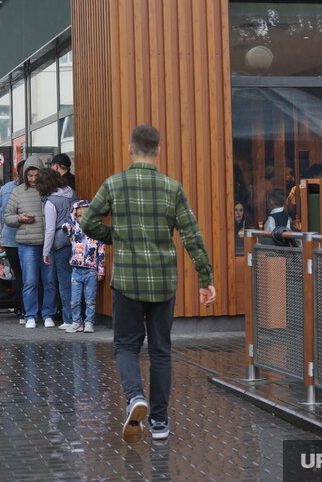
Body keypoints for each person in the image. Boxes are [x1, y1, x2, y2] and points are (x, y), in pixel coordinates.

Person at [82, 124, 216, 443]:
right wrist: (206, 278)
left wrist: (116, 236)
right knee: (161, 351)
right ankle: (159, 422)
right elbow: (191, 236)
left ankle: (134, 398)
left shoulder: (114, 185)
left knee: (126, 345)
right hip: (162, 283)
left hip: (127, 280)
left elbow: (87, 222)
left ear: (131, 148)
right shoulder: (172, 188)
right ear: (158, 149)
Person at [4, 156, 57, 329]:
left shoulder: (50, 190)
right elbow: (7, 217)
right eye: (29, 176)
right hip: (27, 243)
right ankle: (31, 315)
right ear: (24, 175)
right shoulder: (18, 191)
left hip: (48, 244)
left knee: (49, 281)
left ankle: (48, 314)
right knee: (30, 281)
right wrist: (19, 218)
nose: (33, 179)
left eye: (36, 175)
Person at [36, 168, 77, 330]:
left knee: (65, 281)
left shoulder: (51, 201)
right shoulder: (71, 193)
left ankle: (69, 319)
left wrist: (46, 252)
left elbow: (50, 229)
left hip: (61, 243)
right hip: (77, 241)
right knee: (78, 280)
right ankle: (80, 317)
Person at [61, 200, 105, 333]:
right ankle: (76, 322)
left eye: (85, 216)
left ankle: (89, 322)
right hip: (76, 270)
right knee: (74, 299)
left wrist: (101, 271)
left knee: (90, 299)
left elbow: (101, 252)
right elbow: (65, 227)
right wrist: (72, 214)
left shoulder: (97, 231)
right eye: (79, 216)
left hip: (91, 270)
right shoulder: (74, 230)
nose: (82, 219)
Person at [0, 160, 26, 323]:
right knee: (30, 274)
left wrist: (2, 230)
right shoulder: (31, 189)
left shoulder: (6, 189)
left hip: (9, 237)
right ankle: (29, 309)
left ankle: (20, 308)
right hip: (28, 238)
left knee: (18, 274)